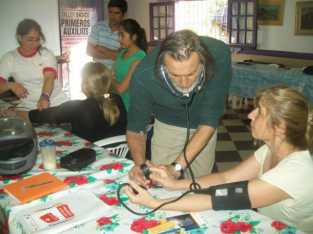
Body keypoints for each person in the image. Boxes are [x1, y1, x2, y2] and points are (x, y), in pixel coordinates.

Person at [125, 86, 313, 233]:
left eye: (259, 112)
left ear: (280, 128)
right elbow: (226, 178)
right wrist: (174, 184)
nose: (250, 115)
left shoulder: (296, 171)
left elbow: (218, 200)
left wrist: (154, 203)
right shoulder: (270, 149)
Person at [127, 30, 231, 185]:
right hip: (167, 124)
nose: (184, 83)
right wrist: (141, 166)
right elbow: (136, 129)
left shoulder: (218, 55)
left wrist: (176, 168)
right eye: (174, 75)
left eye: (191, 74)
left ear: (203, 62)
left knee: (198, 185)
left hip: (203, 126)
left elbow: (209, 121)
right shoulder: (144, 75)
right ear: (163, 65)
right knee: (162, 183)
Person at [11, 62, 127, 142]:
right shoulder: (117, 100)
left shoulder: (79, 108)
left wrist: (15, 113)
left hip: (90, 159)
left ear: (85, 85)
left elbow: (40, 116)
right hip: (118, 155)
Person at [0, 18, 67, 110]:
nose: (35, 44)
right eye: (30, 40)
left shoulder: (46, 54)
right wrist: (10, 85)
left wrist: (44, 97)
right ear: (20, 37)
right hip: (28, 107)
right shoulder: (9, 58)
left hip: (56, 102)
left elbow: (49, 77)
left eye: (37, 40)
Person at [114, 18, 147, 110]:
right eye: (118, 35)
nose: (119, 39)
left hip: (131, 107)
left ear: (134, 37)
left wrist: (110, 80)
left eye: (122, 35)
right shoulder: (121, 53)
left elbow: (121, 89)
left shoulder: (140, 57)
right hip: (118, 104)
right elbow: (111, 75)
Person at [87, 0, 128, 68]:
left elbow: (124, 57)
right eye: (110, 12)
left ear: (124, 14)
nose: (112, 16)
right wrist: (113, 55)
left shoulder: (126, 32)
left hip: (115, 75)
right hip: (97, 72)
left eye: (116, 13)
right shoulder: (98, 26)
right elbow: (89, 51)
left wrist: (102, 49)